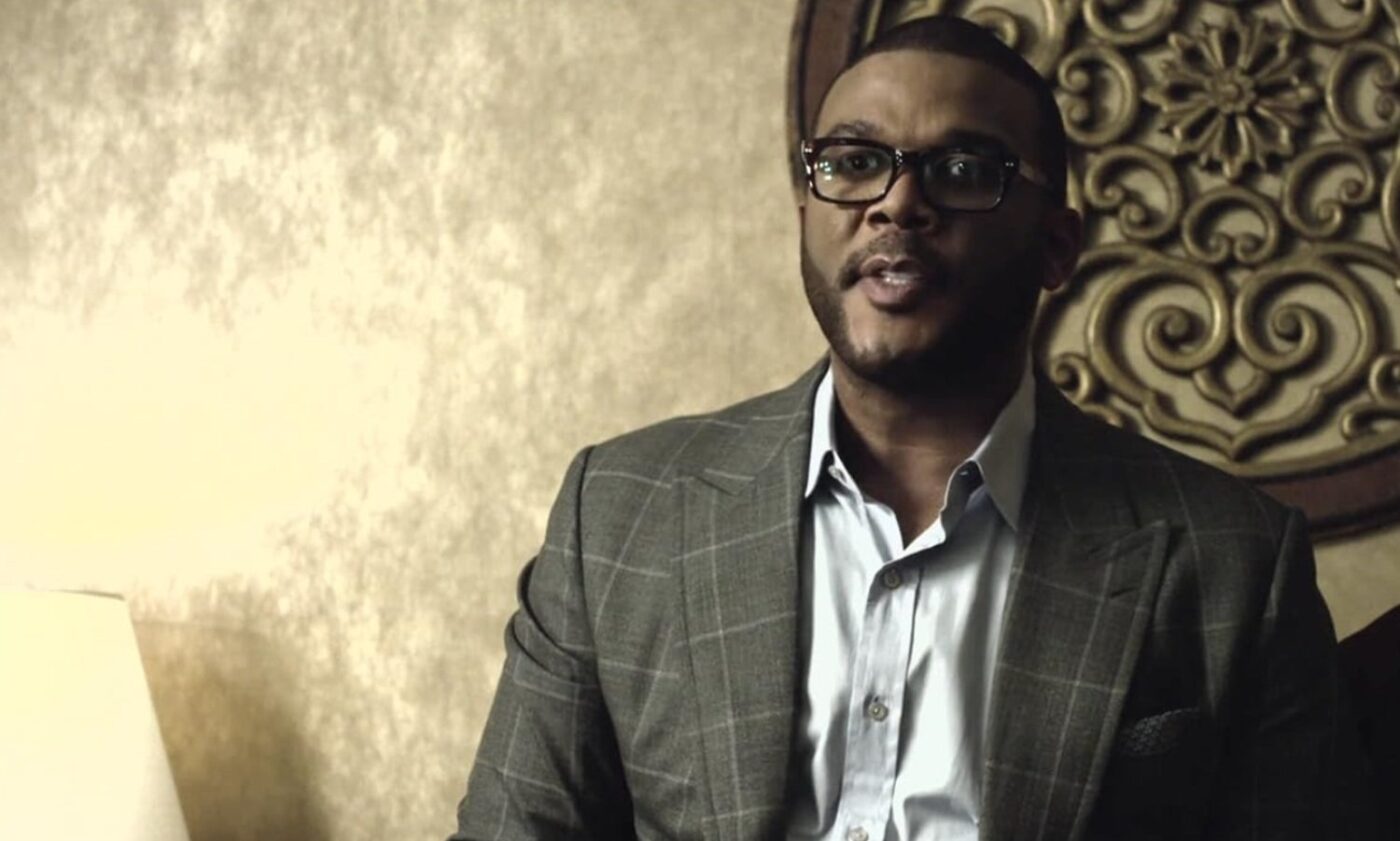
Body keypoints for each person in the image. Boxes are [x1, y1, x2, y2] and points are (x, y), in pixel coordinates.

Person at [450, 14, 1378, 841]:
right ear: (808, 212)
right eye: (854, 163)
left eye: (962, 171)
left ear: (1057, 247)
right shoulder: (620, 515)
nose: (896, 202)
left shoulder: (1231, 561)